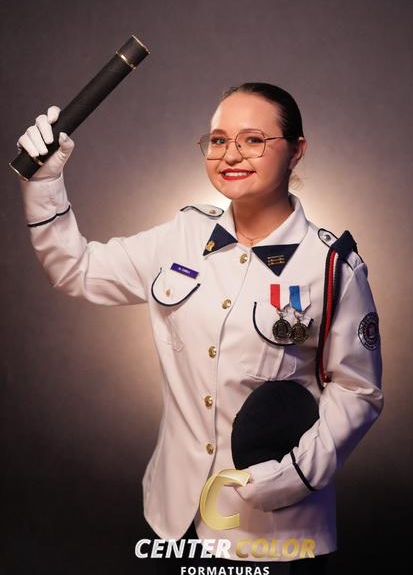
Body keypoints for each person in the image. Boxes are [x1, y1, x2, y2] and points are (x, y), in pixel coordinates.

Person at [15, 82, 383, 574]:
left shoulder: (331, 265)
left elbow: (358, 391)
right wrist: (44, 182)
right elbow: (77, 270)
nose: (231, 154)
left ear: (297, 151)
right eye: (218, 140)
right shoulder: (183, 236)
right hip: (174, 513)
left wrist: (291, 477)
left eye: (254, 140)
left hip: (268, 525)